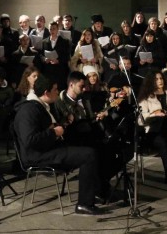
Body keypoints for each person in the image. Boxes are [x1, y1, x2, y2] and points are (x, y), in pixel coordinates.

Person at [13, 77, 104, 215]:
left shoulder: (42, 106)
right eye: (55, 89)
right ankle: (84, 203)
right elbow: (29, 140)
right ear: (46, 92)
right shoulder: (29, 110)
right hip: (37, 156)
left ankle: (97, 191)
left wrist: (61, 126)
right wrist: (54, 132)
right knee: (88, 155)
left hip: (48, 148)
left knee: (92, 145)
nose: (58, 92)